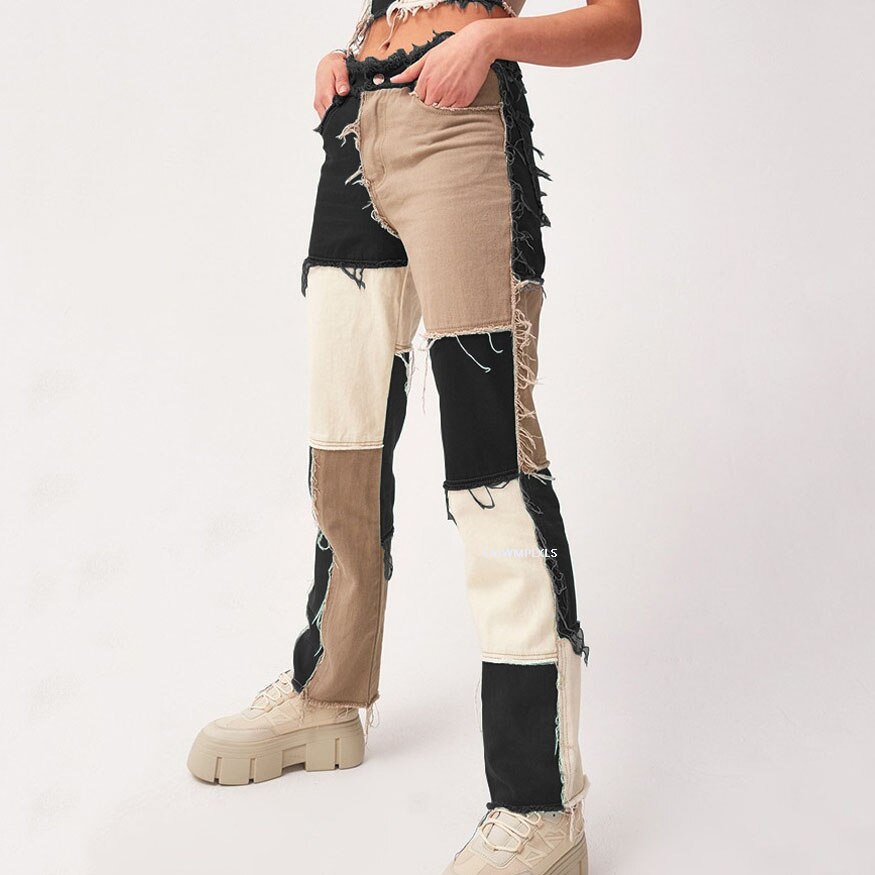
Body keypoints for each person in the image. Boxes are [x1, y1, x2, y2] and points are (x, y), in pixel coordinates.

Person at [188, 2, 641, 872]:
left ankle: (538, 804)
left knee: (492, 471)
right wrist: (344, 55)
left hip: (458, 140)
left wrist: (492, 38)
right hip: (355, 134)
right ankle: (328, 692)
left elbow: (619, 24)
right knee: (343, 444)